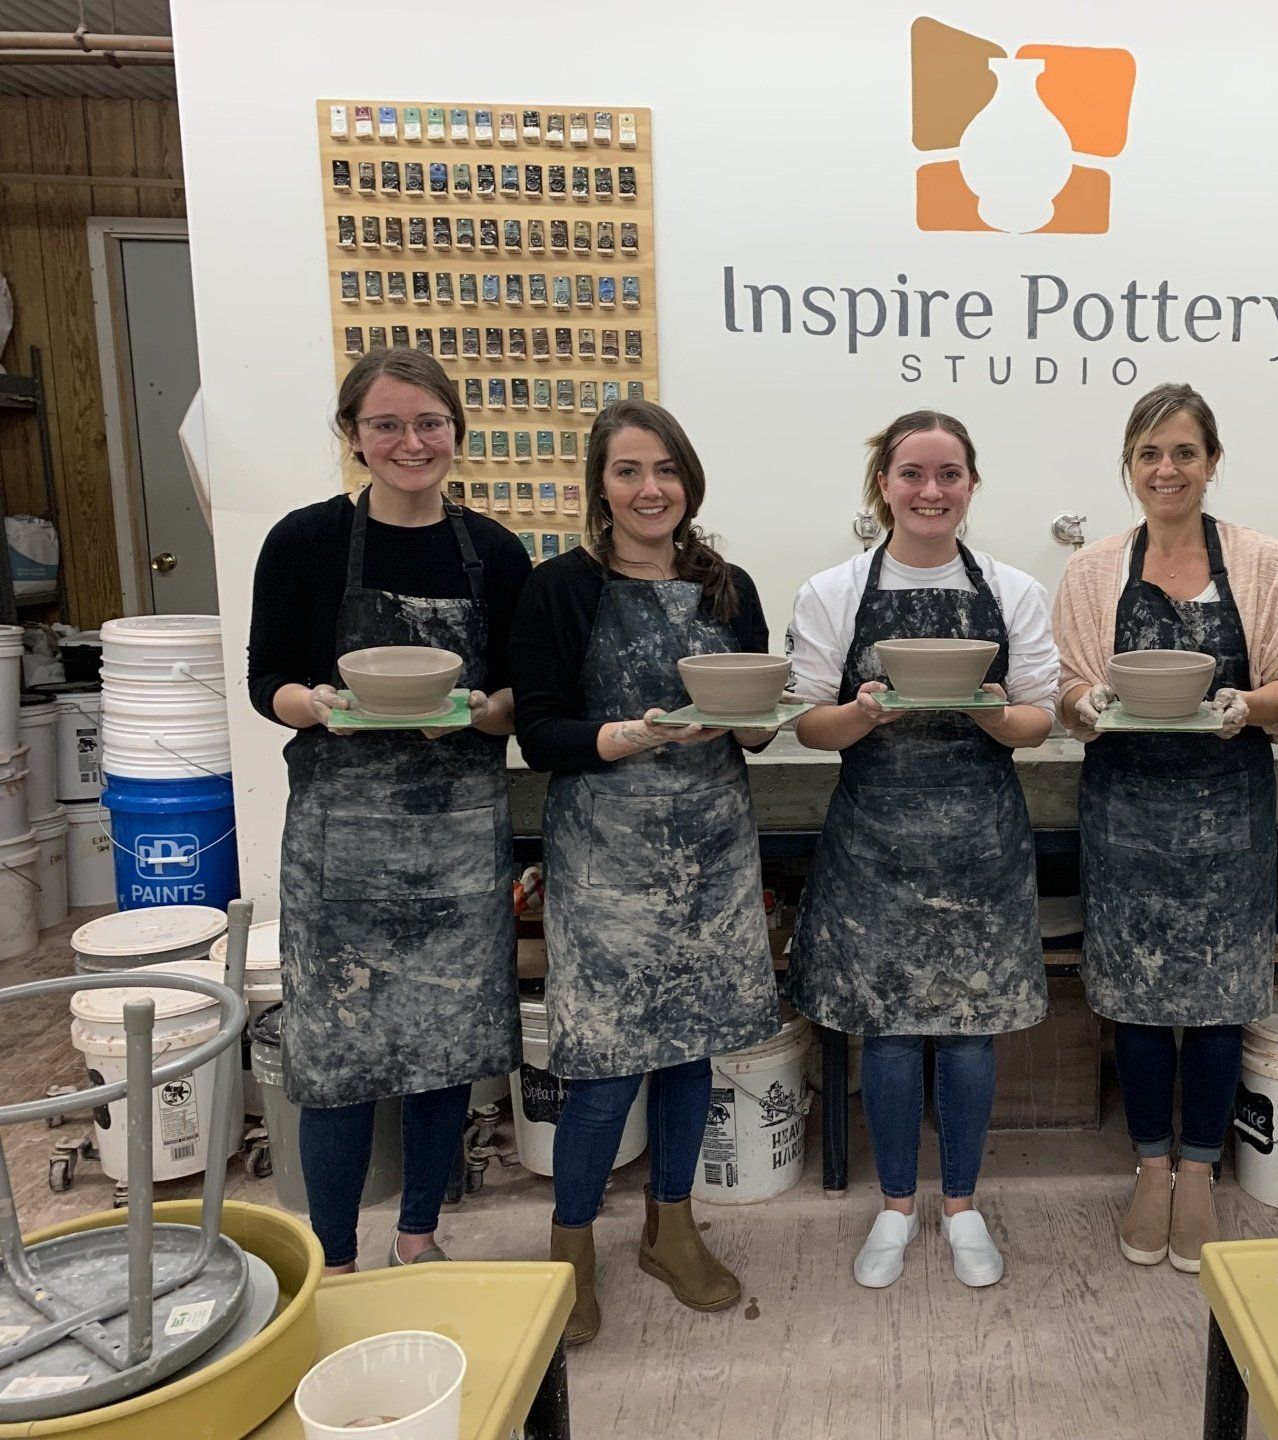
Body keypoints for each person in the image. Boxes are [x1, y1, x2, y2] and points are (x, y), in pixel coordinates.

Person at [247, 347, 529, 1275]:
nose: (412, 442)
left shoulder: (493, 551)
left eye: (429, 423)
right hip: (343, 839)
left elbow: (519, 696)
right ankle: (332, 1260)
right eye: (387, 425)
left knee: (447, 1046)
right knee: (337, 1057)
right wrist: (318, 703)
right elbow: (266, 682)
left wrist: (490, 712)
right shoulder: (307, 540)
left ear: (456, 429)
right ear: (354, 437)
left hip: (457, 836)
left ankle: (418, 1234)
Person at [513, 400, 779, 1343]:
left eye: (665, 470)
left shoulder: (729, 587)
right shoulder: (559, 590)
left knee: (692, 1048)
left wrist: (754, 722)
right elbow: (538, 730)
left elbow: (757, 712)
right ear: (601, 486)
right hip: (606, 861)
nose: (649, 489)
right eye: (628, 471)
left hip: (710, 850)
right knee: (602, 1069)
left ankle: (673, 1229)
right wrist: (629, 735)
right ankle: (572, 1247)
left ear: (688, 480)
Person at [786, 410, 1054, 1290]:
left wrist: (986, 711)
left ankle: (964, 1205)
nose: (930, 491)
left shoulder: (1013, 589)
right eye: (912, 474)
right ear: (884, 486)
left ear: (972, 485)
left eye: (948, 475)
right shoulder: (833, 591)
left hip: (980, 843)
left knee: (972, 1035)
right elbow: (810, 724)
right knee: (892, 1033)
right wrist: (864, 714)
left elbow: (1038, 720)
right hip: (877, 846)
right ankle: (898, 1205)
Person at [1053, 382, 1278, 1273]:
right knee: (1134, 998)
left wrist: (1242, 705)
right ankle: (1149, 1168)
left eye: (1185, 453)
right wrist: (1089, 702)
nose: (1168, 469)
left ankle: (1198, 1169)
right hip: (1126, 813)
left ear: (1212, 463)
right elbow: (1070, 691)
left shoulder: (1263, 561)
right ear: (1129, 466)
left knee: (1218, 1000)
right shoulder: (1092, 570)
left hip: (1228, 811)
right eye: (1150, 453)